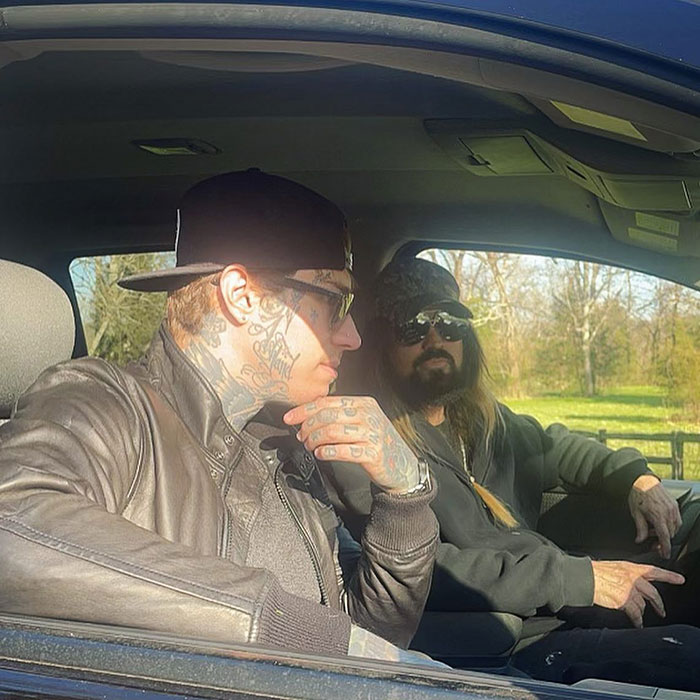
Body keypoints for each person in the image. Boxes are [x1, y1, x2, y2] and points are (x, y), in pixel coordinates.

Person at [0, 171, 440, 665]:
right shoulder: (102, 403)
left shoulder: (285, 443)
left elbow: (365, 647)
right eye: (333, 302)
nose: (352, 337)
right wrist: (279, 626)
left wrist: (405, 501)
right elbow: (12, 527)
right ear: (241, 295)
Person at [323, 256, 700, 689]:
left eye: (450, 324)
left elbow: (559, 447)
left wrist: (638, 480)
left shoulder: (482, 419)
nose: (435, 339)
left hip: (553, 609)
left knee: (685, 590)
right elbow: (416, 570)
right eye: (412, 327)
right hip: (510, 644)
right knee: (689, 653)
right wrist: (574, 579)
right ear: (382, 344)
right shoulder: (368, 444)